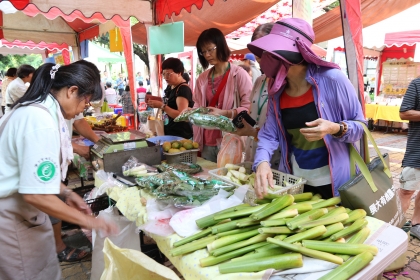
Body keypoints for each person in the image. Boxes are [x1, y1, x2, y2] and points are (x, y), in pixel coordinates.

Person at [0, 61, 117, 279]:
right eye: (86, 102)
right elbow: (36, 193)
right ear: (72, 91)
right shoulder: (39, 119)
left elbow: (36, 174)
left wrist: (66, 192)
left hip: (25, 216)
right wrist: (91, 222)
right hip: (13, 217)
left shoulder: (43, 111)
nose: (84, 109)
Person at [248, 18, 366, 199]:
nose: (265, 59)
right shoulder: (277, 90)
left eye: (271, 53)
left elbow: (360, 127)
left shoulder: (333, 79)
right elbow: (269, 135)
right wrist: (262, 162)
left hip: (337, 182)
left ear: (295, 53)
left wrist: (334, 128)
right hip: (299, 181)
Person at [193, 28, 252, 162]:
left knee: (228, 178)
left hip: (232, 138)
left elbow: (249, 107)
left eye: (210, 49)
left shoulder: (239, 75)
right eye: (203, 51)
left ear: (221, 46)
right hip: (206, 140)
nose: (207, 55)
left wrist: (225, 113)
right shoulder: (202, 79)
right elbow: (196, 104)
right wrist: (192, 113)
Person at [231, 23, 280, 169]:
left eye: (263, 53)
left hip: (274, 160)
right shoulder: (260, 80)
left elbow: (281, 133)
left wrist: (253, 132)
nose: (260, 60)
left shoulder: (285, 83)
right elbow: (253, 113)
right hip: (252, 152)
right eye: (257, 55)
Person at [147, 58, 194, 139]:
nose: (165, 77)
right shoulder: (170, 86)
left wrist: (162, 106)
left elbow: (181, 115)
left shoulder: (183, 89)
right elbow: (170, 102)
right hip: (170, 132)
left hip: (180, 135)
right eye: (164, 74)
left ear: (179, 73)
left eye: (168, 74)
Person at [398, 77, 420, 239]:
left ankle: (416, 224)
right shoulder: (417, 84)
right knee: (407, 190)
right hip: (417, 150)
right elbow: (404, 112)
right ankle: (395, 226)